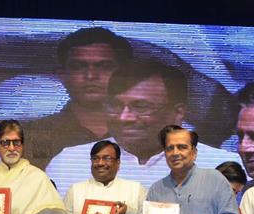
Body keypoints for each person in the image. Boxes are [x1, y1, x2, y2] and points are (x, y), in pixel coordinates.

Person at [48, 60, 240, 194]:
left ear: (178, 112)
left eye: (141, 107)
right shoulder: (69, 162)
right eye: (115, 106)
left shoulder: (219, 165)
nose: (124, 118)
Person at [24, 27, 132, 169]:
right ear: (62, 75)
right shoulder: (32, 134)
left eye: (104, 66)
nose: (91, 76)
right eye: (79, 67)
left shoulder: (144, 133)